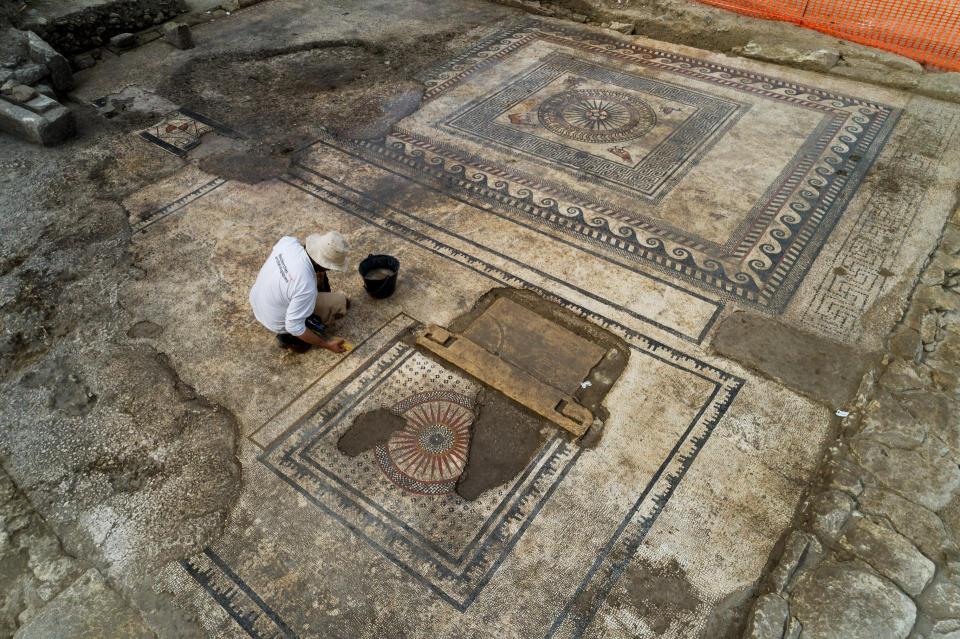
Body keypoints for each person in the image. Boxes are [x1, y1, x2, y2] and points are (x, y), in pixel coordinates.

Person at [249, 232, 351, 353]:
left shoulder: (289, 242)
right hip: (277, 321)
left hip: (258, 301)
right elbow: (294, 326)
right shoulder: (306, 286)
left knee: (311, 284)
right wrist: (326, 344)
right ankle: (290, 339)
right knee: (340, 302)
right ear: (325, 265)